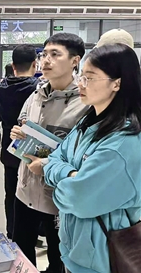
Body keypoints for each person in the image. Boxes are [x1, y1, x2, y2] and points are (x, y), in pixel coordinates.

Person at [44, 43, 141, 273]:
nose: (81, 84)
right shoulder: (87, 122)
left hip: (104, 261)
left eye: (90, 78)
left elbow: (80, 198)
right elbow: (54, 158)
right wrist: (69, 174)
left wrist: (58, 180)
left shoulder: (123, 143)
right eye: (81, 76)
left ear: (117, 82)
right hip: (75, 253)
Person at [10, 33, 89, 273]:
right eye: (44, 54)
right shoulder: (34, 96)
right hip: (24, 190)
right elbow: (23, 126)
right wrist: (18, 134)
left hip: (58, 198)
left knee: (59, 257)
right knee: (22, 249)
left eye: (55, 54)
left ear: (75, 61)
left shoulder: (85, 103)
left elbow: (81, 154)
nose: (46, 60)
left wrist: (46, 161)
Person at [0, 45, 39, 239]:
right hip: (33, 152)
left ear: (12, 65)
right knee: (34, 197)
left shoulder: (1, 89)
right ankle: (32, 235)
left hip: (9, 150)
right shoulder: (37, 89)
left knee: (10, 193)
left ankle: (12, 232)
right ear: (35, 64)